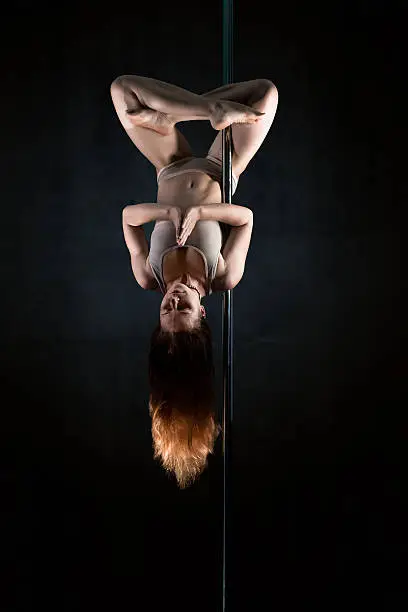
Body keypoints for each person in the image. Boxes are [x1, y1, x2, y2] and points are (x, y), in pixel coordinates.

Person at [110, 75, 278, 488]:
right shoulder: (223, 274)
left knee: (121, 91)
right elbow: (246, 218)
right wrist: (203, 214)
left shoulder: (147, 274)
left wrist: (166, 215)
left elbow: (129, 217)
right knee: (265, 95)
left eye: (166, 308)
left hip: (169, 163)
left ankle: (201, 111)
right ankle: (195, 110)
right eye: (182, 308)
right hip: (223, 166)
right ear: (202, 313)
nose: (173, 298)